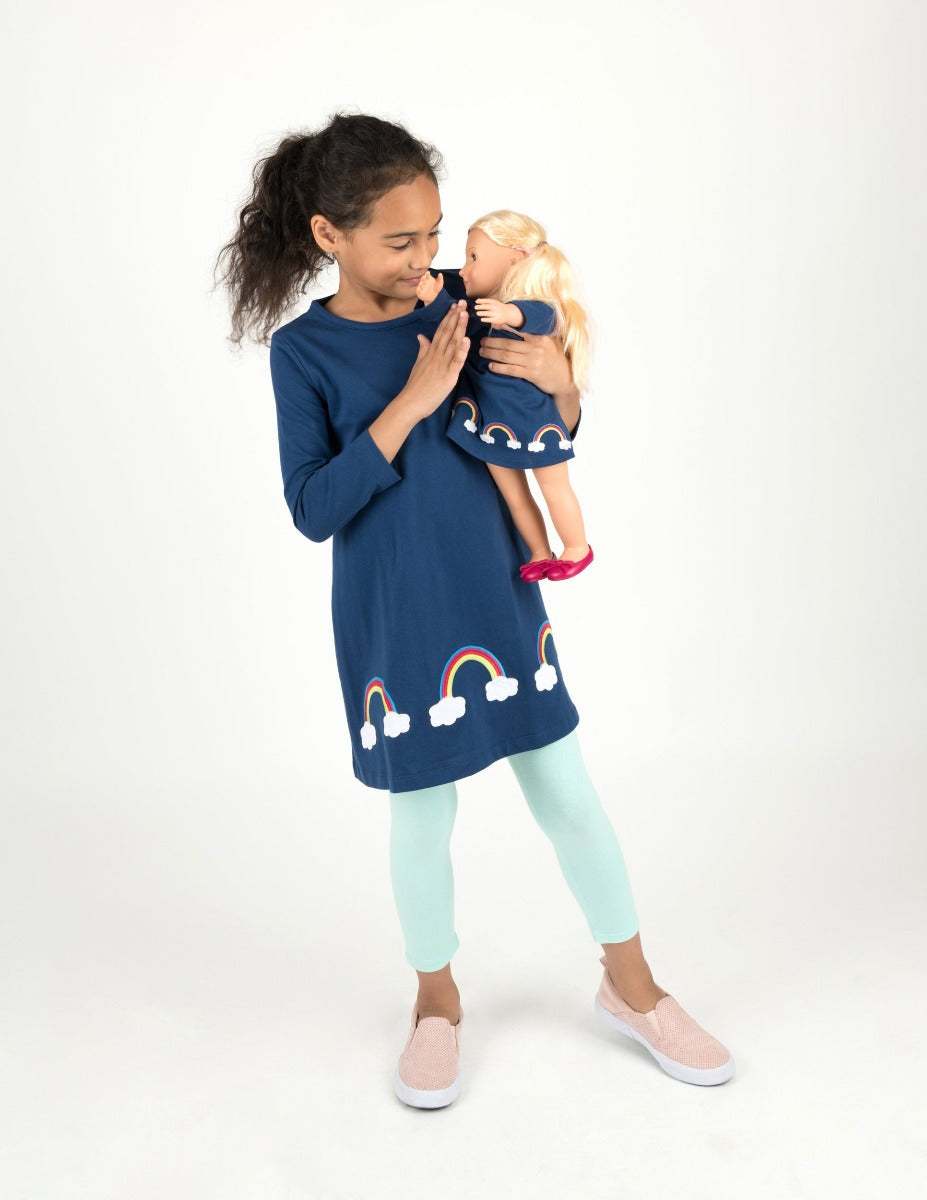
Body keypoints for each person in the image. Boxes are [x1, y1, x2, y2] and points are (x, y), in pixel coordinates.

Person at [214, 111, 734, 1108]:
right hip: (396, 612)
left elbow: (543, 419)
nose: (426, 261)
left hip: (498, 590)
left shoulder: (464, 301)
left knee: (568, 794)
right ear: (329, 235)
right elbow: (313, 509)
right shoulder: (304, 353)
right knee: (422, 818)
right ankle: (436, 1003)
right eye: (399, 242)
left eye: (435, 235)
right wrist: (412, 399)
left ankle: (632, 987)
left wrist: (563, 384)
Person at [416, 211, 593, 582]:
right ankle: (540, 552)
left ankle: (577, 548)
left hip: (533, 420)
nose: (464, 270)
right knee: (515, 495)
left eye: (474, 257)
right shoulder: (480, 306)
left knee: (553, 486)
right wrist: (435, 299)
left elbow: (546, 316)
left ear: (515, 259)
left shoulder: (530, 305)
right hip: (492, 425)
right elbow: (458, 322)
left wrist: (510, 313)